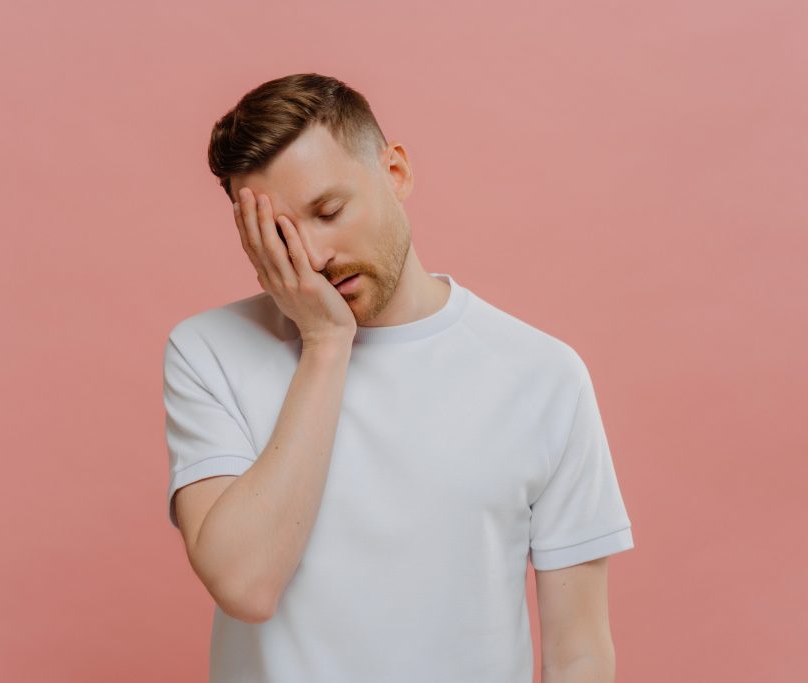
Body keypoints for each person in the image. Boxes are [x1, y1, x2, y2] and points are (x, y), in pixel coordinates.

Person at [162, 72, 635, 683]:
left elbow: (579, 653)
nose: (314, 256)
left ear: (396, 173)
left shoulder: (544, 376)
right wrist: (326, 344)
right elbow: (245, 585)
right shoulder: (210, 351)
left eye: (329, 211)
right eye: (279, 235)